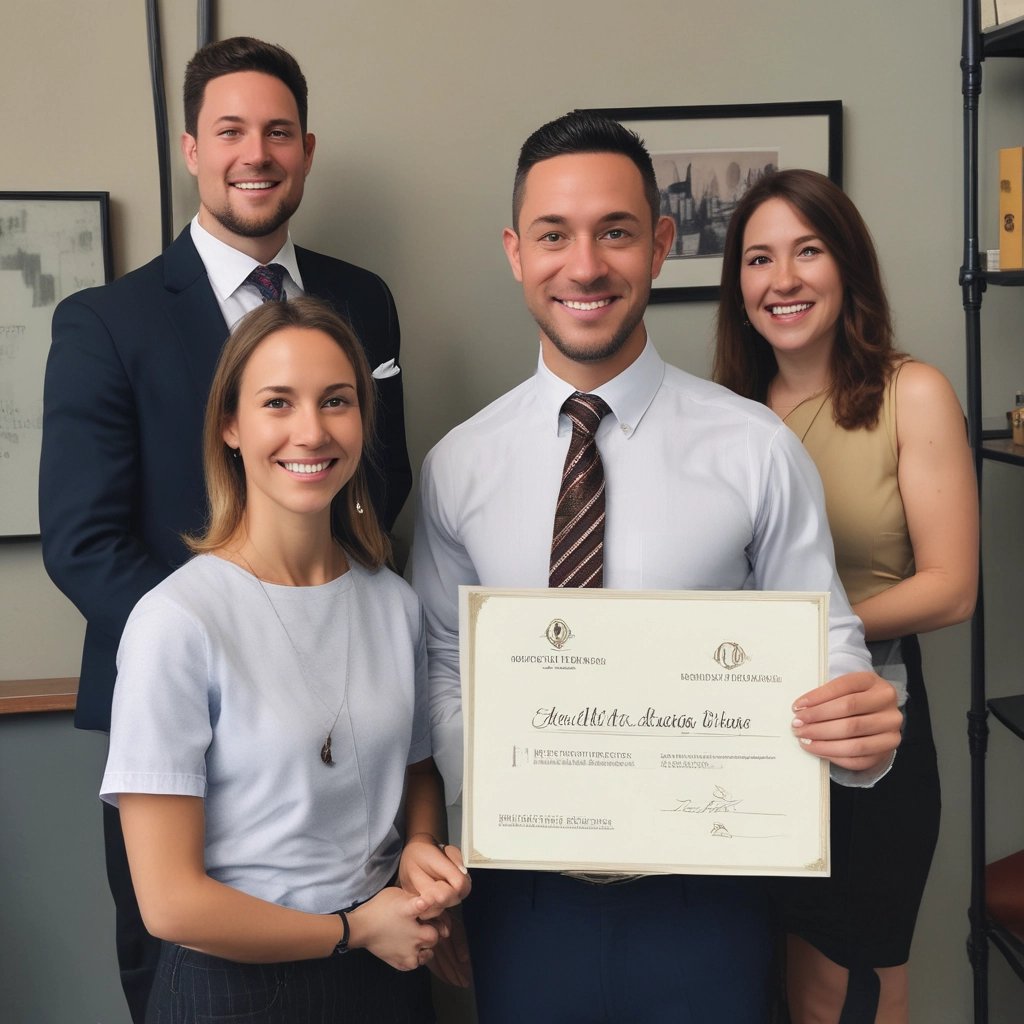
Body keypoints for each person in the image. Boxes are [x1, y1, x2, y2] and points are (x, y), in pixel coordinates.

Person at [409, 111, 904, 1024]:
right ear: (516, 253)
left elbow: (826, 644)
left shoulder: (754, 450)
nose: (586, 265)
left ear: (663, 244)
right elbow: (443, 661)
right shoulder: (458, 466)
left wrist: (858, 726)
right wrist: (500, 799)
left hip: (709, 894)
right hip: (522, 897)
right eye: (555, 235)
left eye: (618, 232)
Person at [39, 36, 411, 1020]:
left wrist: (333, 623)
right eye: (232, 130)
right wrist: (228, 645)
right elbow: (81, 539)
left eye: (279, 131)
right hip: (175, 720)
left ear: (307, 149)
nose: (258, 152)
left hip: (347, 706)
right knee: (180, 976)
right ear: (191, 148)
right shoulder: (105, 320)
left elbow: (384, 476)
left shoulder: (362, 299)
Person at [99, 297, 469, 1023]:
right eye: (279, 403)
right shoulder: (175, 622)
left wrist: (421, 846)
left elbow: (417, 771)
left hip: (389, 975)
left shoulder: (393, 604)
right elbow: (171, 904)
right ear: (230, 427)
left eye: (337, 401)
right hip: (235, 990)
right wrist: (354, 929)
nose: (312, 430)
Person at [713, 168, 978, 1024]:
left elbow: (951, 587)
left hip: (873, 715)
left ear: (848, 265)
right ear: (739, 285)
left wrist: (805, 632)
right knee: (764, 975)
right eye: (759, 259)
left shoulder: (914, 392)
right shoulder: (722, 414)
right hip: (747, 726)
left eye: (807, 251)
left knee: (849, 987)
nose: (782, 279)